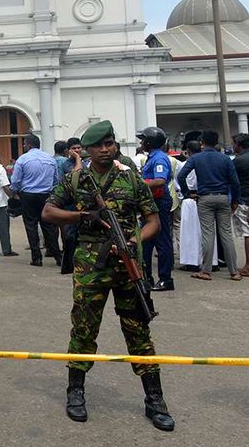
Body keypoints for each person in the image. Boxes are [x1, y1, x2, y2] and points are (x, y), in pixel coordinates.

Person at [42, 120, 175, 431]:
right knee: (84, 329)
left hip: (129, 266)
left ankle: (154, 399)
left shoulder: (131, 179)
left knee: (138, 330)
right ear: (87, 150)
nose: (105, 149)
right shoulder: (75, 180)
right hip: (90, 268)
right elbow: (48, 212)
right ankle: (75, 391)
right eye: (98, 145)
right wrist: (83, 215)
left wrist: (134, 240)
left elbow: (153, 220)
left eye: (110, 143)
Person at [177, 130, 242, 282]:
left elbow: (181, 176)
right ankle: (234, 272)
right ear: (216, 143)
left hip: (204, 198)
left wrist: (187, 193)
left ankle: (205, 271)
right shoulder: (225, 159)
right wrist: (235, 200)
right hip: (223, 197)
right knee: (226, 235)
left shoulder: (197, 158)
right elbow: (235, 182)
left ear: (202, 143)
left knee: (208, 234)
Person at [10, 133, 61, 267]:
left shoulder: (23, 159)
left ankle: (36, 258)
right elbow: (56, 180)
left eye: (25, 143)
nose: (23, 146)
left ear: (29, 145)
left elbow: (15, 181)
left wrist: (14, 193)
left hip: (28, 195)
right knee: (49, 226)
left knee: (31, 225)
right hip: (46, 194)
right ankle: (58, 257)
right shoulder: (50, 159)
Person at [137, 127, 175, 291]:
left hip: (159, 202)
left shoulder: (159, 158)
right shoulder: (152, 157)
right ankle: (147, 278)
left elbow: (159, 181)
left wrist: (139, 184)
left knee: (161, 240)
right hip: (151, 202)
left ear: (149, 142)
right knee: (146, 241)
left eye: (143, 140)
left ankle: (165, 279)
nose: (141, 143)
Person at [231, 133, 249, 277]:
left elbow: (233, 182)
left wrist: (234, 200)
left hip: (245, 200)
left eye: (234, 143)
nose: (233, 146)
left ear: (239, 144)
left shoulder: (238, 161)